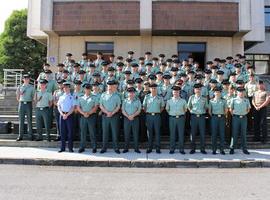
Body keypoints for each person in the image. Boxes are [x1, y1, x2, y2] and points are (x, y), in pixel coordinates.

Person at [99, 80, 121, 154]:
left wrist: (112, 112)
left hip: (114, 116)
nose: (110, 87)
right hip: (105, 116)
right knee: (105, 133)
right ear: (107, 86)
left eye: (111, 85)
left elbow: (118, 106)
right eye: (108, 85)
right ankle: (104, 148)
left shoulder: (116, 95)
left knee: (115, 133)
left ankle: (116, 148)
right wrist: (107, 112)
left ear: (113, 86)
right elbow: (101, 105)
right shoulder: (103, 95)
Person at [143, 83, 165, 154]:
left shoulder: (160, 98)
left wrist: (157, 112)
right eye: (152, 88)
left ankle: (158, 148)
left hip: (157, 116)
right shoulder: (147, 97)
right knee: (149, 132)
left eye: (155, 88)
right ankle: (150, 147)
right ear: (150, 89)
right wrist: (149, 112)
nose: (153, 89)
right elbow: (144, 107)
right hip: (149, 116)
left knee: (157, 132)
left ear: (157, 89)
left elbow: (162, 107)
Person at [77, 83, 99, 153]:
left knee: (92, 132)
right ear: (84, 89)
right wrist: (84, 113)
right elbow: (78, 107)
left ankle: (94, 147)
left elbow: (96, 107)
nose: (87, 90)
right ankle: (82, 147)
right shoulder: (80, 97)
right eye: (86, 89)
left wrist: (88, 113)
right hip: (83, 117)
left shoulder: (94, 97)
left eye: (89, 89)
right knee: (83, 132)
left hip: (91, 116)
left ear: (91, 89)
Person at [187, 83, 208, 154]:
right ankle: (193, 148)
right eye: (196, 89)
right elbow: (188, 106)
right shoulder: (191, 97)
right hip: (194, 117)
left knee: (202, 133)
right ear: (194, 90)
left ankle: (202, 149)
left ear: (201, 90)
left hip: (202, 117)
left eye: (199, 89)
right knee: (193, 133)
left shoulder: (204, 98)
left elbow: (206, 107)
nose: (198, 90)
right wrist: (192, 112)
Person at [166, 85, 187, 154]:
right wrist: (172, 114)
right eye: (174, 92)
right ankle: (172, 148)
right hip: (172, 118)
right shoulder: (169, 101)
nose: (176, 93)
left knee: (181, 134)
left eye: (177, 92)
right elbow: (167, 109)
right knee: (172, 134)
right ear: (172, 92)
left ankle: (181, 149)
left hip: (181, 118)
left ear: (179, 92)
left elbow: (185, 110)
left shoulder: (183, 101)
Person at [229, 87, 251, 155]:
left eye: (242, 92)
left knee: (243, 134)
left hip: (244, 118)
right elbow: (231, 109)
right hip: (236, 118)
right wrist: (235, 115)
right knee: (234, 133)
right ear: (237, 92)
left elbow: (248, 109)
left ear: (244, 92)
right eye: (240, 92)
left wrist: (244, 113)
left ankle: (244, 148)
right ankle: (232, 148)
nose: (241, 93)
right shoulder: (234, 99)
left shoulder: (246, 100)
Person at [122, 87, 142, 153]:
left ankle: (136, 148)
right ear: (128, 93)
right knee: (126, 134)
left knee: (135, 134)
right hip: (126, 119)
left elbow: (139, 110)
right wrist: (128, 116)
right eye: (130, 93)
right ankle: (126, 148)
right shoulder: (125, 101)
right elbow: (123, 110)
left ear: (134, 93)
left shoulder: (138, 100)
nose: (131, 94)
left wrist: (133, 116)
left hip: (135, 119)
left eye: (133, 92)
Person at [208, 87, 228, 155]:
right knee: (214, 134)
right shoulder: (211, 101)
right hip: (214, 118)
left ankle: (222, 149)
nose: (217, 93)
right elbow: (210, 111)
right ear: (214, 93)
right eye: (216, 92)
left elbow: (226, 111)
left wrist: (222, 115)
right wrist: (214, 116)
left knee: (222, 134)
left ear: (220, 93)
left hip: (222, 118)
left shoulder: (224, 101)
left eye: (218, 92)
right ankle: (214, 149)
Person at [16, 74, 35, 141]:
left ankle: (30, 135)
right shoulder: (20, 87)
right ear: (23, 79)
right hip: (21, 104)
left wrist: (29, 102)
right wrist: (21, 101)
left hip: (28, 104)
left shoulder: (32, 87)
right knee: (21, 120)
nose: (26, 79)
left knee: (29, 120)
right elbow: (18, 96)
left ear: (29, 79)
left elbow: (33, 97)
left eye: (28, 78)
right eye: (25, 78)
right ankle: (20, 136)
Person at [57, 82, 75, 153]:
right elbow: (58, 106)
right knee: (62, 132)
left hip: (69, 115)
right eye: (64, 87)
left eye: (67, 87)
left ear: (69, 88)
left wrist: (67, 115)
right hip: (62, 115)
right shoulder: (61, 97)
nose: (66, 89)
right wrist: (62, 114)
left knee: (70, 132)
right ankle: (62, 148)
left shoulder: (72, 97)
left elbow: (73, 107)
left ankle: (70, 148)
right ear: (63, 89)